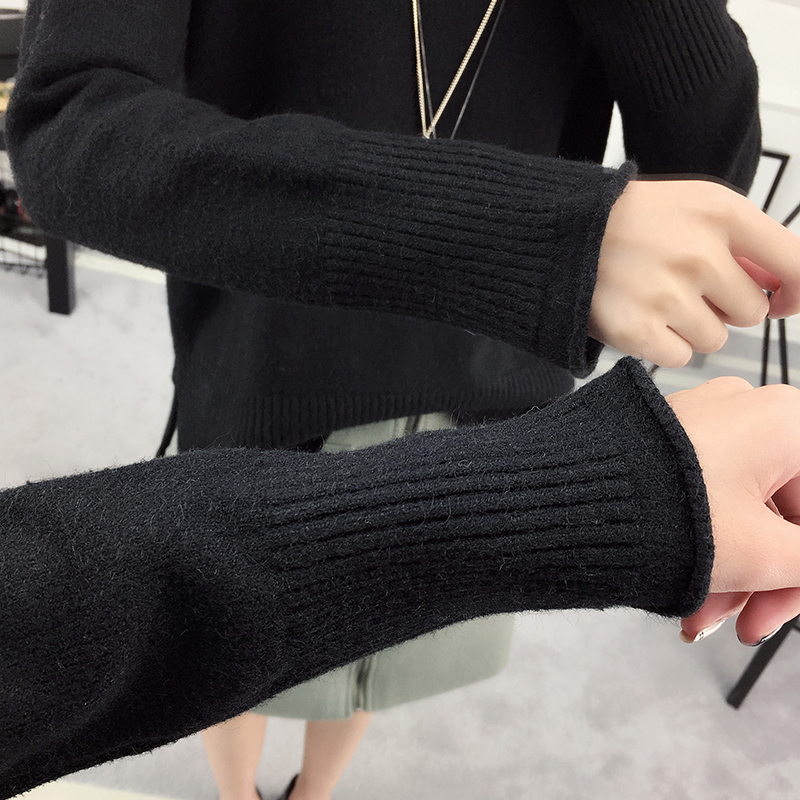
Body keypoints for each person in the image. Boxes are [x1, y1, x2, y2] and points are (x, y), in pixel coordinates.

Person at [1, 0, 792, 798]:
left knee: (378, 642)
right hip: (270, 354)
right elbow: (68, 126)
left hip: (491, 379)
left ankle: (313, 792)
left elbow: (707, 178)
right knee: (216, 632)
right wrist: (523, 237)